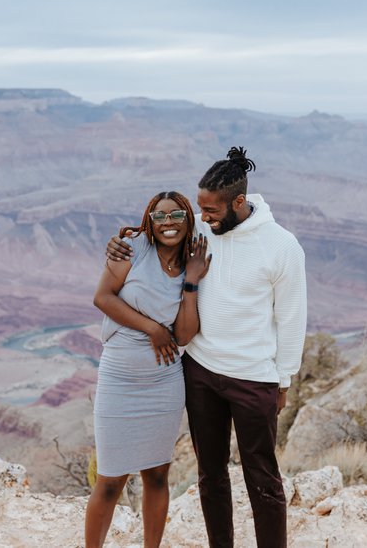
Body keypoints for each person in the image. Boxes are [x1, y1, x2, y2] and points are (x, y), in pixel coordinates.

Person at [107, 147, 307, 548]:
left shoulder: (282, 246)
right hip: (200, 373)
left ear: (238, 202)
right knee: (210, 476)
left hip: (254, 378)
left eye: (211, 210)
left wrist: (283, 380)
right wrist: (118, 243)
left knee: (262, 479)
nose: (203, 216)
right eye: (200, 209)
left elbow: (291, 318)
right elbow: (157, 233)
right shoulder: (199, 228)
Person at [85, 190, 212, 548]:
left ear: (188, 219)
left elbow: (183, 334)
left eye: (177, 215)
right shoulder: (132, 249)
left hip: (164, 382)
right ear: (149, 221)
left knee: (157, 475)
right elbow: (102, 297)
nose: (168, 222)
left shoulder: (191, 260)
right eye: (160, 216)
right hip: (120, 378)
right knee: (110, 480)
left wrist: (191, 281)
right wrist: (153, 329)